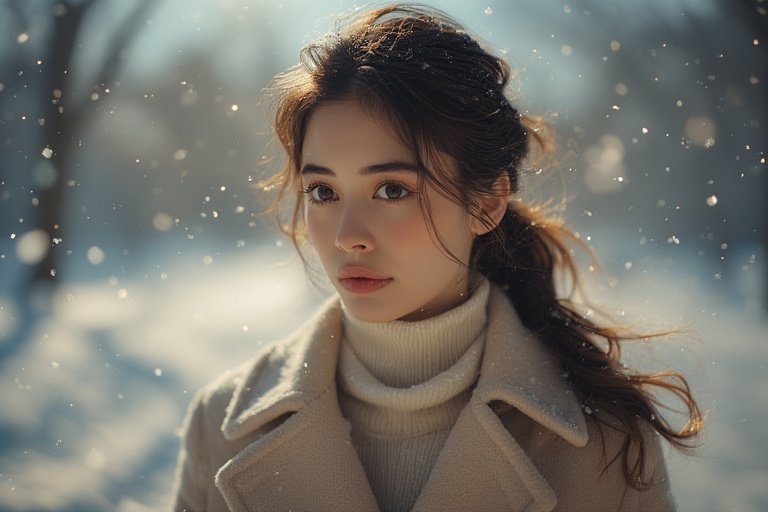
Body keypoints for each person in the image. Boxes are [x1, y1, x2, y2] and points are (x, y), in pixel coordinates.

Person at [172, 4, 702, 511]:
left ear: (487, 202)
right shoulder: (220, 426)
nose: (347, 237)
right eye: (323, 193)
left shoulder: (604, 446)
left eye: (392, 190)